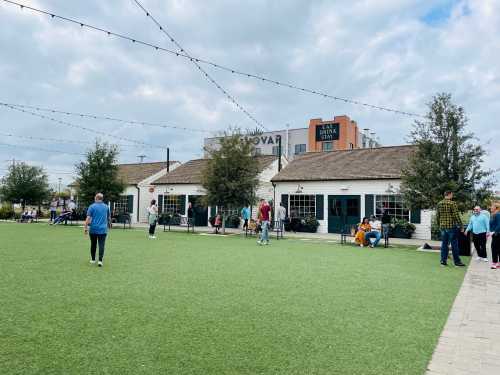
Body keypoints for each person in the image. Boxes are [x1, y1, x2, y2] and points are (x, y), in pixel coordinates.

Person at [436, 191, 465, 267]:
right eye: (452, 194)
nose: (452, 196)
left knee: (444, 244)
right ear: (449, 195)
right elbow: (456, 216)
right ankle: (457, 262)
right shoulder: (453, 203)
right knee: (454, 245)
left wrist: (439, 225)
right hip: (451, 227)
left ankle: (443, 261)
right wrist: (461, 226)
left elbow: (437, 216)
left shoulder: (439, 203)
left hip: (443, 227)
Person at [84, 193, 111, 267]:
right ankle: (100, 261)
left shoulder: (92, 206)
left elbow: (88, 218)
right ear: (102, 198)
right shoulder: (106, 207)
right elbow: (108, 218)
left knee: (93, 244)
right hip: (103, 229)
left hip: (93, 229)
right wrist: (109, 225)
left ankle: (93, 259)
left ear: (96, 198)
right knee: (101, 245)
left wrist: (85, 227)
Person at [490, 202, 500, 269]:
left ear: (496, 208)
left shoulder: (498, 214)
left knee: (494, 248)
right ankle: (497, 263)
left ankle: (495, 263)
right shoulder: (493, 215)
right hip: (494, 234)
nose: (490, 207)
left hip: (497, 234)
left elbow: (499, 224)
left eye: (492, 206)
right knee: (497, 248)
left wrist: (494, 231)